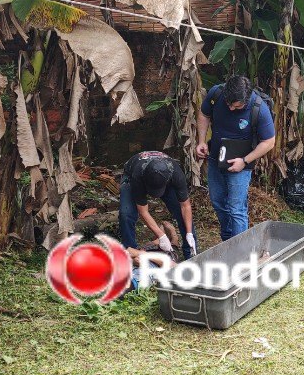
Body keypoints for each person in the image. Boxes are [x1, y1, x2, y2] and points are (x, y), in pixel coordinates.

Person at [195, 76, 277, 242]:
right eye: (228, 104)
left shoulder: (259, 108)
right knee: (218, 202)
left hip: (241, 164)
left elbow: (269, 142)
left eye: (236, 106)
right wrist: (202, 141)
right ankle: (227, 241)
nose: (231, 109)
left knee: (236, 209)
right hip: (215, 158)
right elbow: (204, 114)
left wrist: (245, 161)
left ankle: (240, 250)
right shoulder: (217, 94)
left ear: (246, 99)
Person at [119, 150, 197, 260]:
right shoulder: (138, 175)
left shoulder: (176, 174)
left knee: (182, 214)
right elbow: (143, 211)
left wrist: (189, 233)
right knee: (126, 213)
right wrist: (162, 236)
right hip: (131, 175)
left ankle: (191, 254)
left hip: (165, 180)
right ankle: (130, 251)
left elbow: (185, 206)